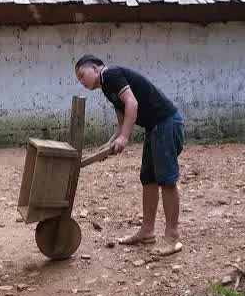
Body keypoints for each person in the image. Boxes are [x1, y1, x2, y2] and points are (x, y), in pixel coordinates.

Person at [75, 55, 184, 256]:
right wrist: (109, 145)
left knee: (167, 180)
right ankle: (147, 231)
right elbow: (122, 119)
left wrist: (125, 137)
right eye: (79, 80)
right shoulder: (107, 88)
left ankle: (172, 237)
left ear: (96, 68)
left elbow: (132, 104)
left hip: (167, 123)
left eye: (82, 75)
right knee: (148, 178)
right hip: (155, 127)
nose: (81, 82)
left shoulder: (111, 74)